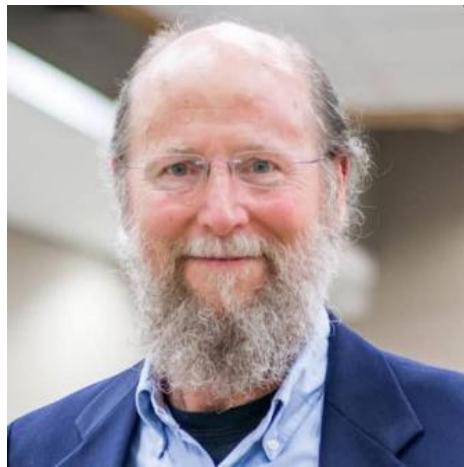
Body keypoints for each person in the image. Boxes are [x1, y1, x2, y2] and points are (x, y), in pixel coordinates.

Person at [8, 21, 464, 467]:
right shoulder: (27, 451)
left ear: (336, 187)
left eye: (261, 166)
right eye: (179, 169)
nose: (222, 214)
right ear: (123, 190)